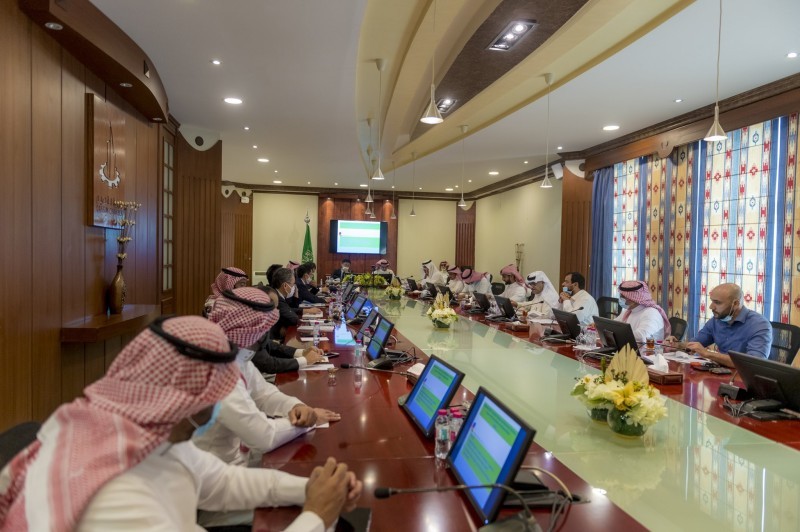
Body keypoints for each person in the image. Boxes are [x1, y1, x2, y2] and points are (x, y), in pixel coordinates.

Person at [0, 316, 362, 531]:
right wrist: (316, 515)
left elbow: (223, 482)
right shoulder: (114, 495)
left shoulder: (141, 433)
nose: (218, 406)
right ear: (188, 401)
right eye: (215, 396)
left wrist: (313, 490)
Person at [200, 288, 342, 530]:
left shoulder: (236, 355)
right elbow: (262, 437)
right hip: (214, 500)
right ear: (252, 331)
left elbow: (264, 393)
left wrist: (296, 406)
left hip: (233, 473)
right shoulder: (217, 371)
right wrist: (308, 420)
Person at [665, 283, 772, 367]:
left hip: (743, 380)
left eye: (717, 302)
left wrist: (707, 353)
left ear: (735, 304)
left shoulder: (759, 325)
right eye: (712, 301)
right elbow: (696, 344)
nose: (711, 307)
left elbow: (754, 364)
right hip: (719, 374)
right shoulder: (717, 320)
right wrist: (676, 345)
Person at [253, 284, 326, 372]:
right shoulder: (246, 330)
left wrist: (302, 352)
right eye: (273, 307)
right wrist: (305, 360)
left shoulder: (258, 326)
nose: (277, 312)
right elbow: (267, 364)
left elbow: (270, 345)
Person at [269, 267, 300, 340]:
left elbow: (288, 310)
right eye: (293, 284)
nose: (294, 287)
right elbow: (294, 319)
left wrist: (303, 311)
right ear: (285, 285)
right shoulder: (276, 298)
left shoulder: (277, 293)